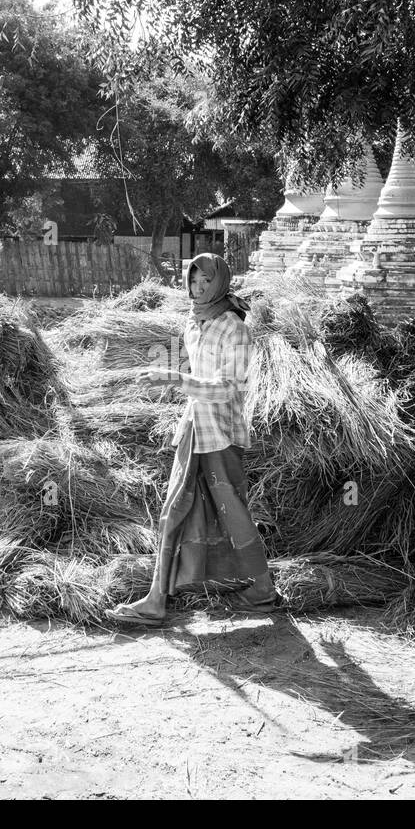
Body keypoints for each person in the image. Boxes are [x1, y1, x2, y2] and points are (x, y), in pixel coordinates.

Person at [105, 253, 276, 627]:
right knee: (175, 509)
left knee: (232, 510)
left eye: (206, 281)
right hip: (195, 428)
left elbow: (230, 388)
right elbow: (199, 378)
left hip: (221, 432)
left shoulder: (235, 328)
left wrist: (174, 379)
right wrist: (176, 384)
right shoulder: (193, 325)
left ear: (220, 283)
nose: (199, 288)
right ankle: (157, 598)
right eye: (194, 281)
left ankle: (262, 589)